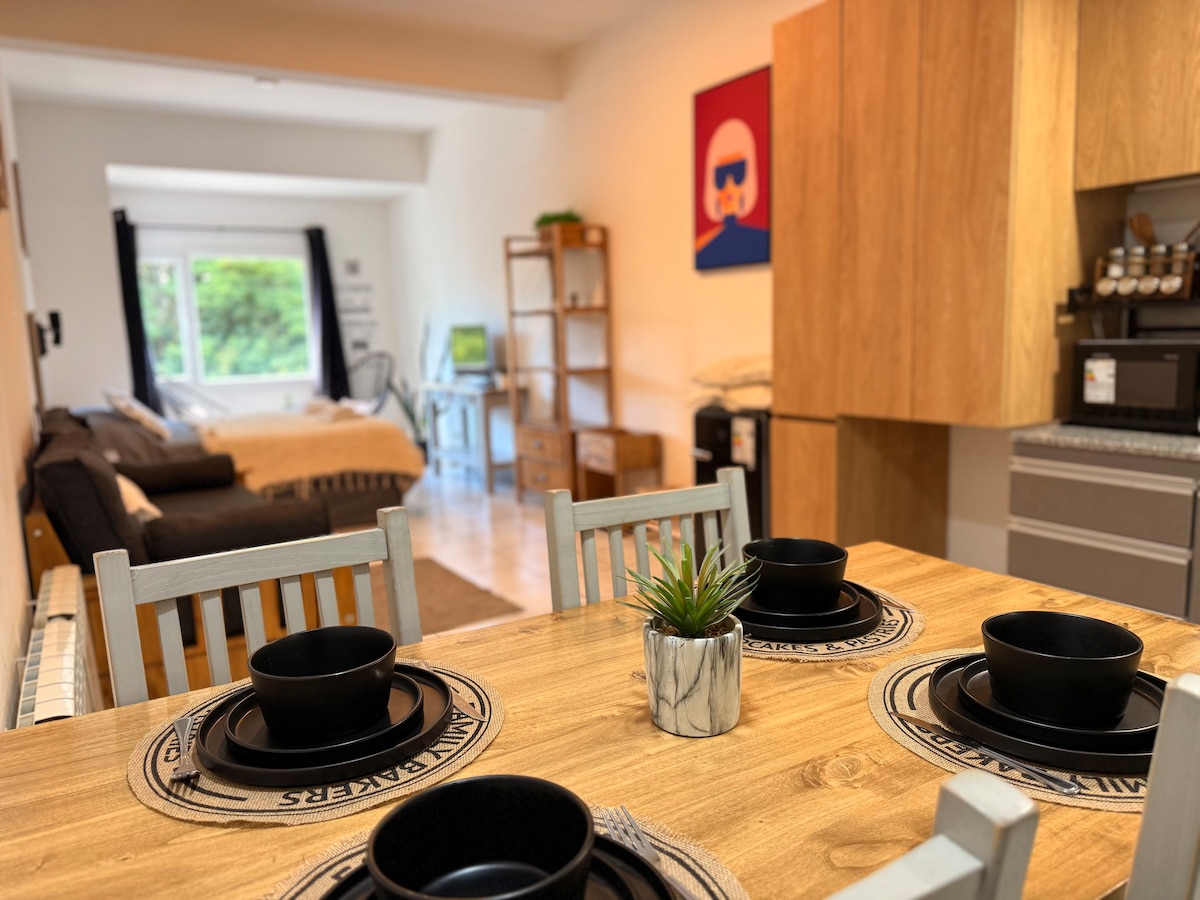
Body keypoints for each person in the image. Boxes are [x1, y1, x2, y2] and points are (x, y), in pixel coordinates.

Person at [695, 117, 769, 269]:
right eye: (721, 176)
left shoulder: (762, 239)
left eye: (737, 172)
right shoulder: (703, 248)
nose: (729, 186)